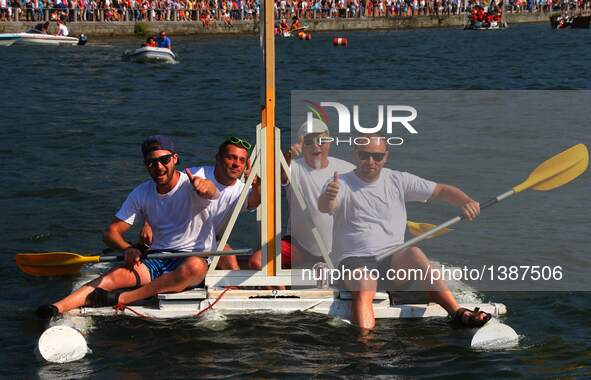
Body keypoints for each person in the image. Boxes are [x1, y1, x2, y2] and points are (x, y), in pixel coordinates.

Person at [318, 134, 491, 333]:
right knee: (365, 283)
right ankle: (366, 343)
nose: (371, 161)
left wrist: (466, 202)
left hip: (391, 265)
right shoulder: (339, 184)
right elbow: (325, 206)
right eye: (364, 155)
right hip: (353, 263)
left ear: (386, 157)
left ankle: (458, 313)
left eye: (377, 156)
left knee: (414, 253)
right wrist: (329, 196)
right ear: (355, 155)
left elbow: (441, 190)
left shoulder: (398, 180)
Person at [36, 135, 220, 319]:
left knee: (194, 267)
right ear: (145, 165)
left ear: (175, 159)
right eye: (151, 163)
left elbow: (213, 192)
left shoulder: (194, 185)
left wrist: (206, 188)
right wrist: (128, 248)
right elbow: (111, 233)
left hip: (194, 259)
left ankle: (123, 297)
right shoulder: (141, 192)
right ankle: (56, 308)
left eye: (164, 160)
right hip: (158, 258)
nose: (159, 167)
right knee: (114, 277)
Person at [249, 119, 354, 271]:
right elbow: (279, 176)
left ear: (330, 142)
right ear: (302, 144)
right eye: (309, 141)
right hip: (299, 247)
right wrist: (289, 156)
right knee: (257, 261)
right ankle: (281, 294)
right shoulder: (294, 167)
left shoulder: (347, 169)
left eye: (322, 140)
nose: (316, 145)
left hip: (339, 247)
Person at [141, 137, 261, 270]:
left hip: (210, 241)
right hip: (177, 240)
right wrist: (148, 223)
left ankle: (233, 290)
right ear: (218, 158)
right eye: (231, 158)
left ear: (246, 165)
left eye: (241, 160)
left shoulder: (242, 190)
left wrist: (256, 182)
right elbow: (163, 191)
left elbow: (254, 202)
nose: (236, 164)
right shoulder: (195, 174)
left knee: (229, 257)